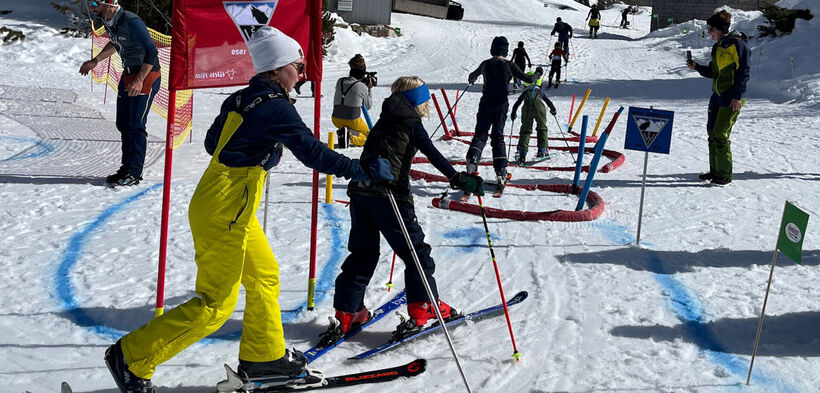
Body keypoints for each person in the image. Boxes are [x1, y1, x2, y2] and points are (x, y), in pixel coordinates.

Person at [102, 26, 390, 393]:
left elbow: (213, 143)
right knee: (216, 304)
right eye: (297, 67)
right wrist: (360, 169)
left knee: (264, 274)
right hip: (226, 208)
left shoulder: (241, 98)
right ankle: (131, 357)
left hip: (225, 201)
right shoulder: (276, 107)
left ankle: (263, 356)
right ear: (278, 68)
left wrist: (258, 150)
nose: (301, 74)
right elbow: (311, 151)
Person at [329, 76, 484, 337]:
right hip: (389, 195)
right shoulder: (410, 122)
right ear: (417, 100)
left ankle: (348, 310)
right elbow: (432, 152)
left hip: (361, 191)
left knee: (363, 254)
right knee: (416, 254)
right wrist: (457, 178)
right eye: (425, 100)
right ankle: (423, 306)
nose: (427, 106)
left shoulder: (384, 118)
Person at [79, 0, 161, 187]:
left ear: (109, 3)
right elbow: (115, 43)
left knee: (136, 125)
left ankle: (134, 173)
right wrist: (95, 60)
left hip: (146, 75)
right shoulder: (109, 21)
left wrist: (139, 80)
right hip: (129, 74)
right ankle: (126, 168)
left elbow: (151, 51)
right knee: (123, 123)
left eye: (95, 2)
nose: (92, 7)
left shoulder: (131, 21)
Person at [687, 10, 750, 186]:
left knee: (720, 134)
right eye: (708, 29)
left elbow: (744, 72)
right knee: (712, 132)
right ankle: (715, 171)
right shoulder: (718, 47)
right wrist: (697, 67)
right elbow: (714, 72)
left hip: (731, 98)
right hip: (717, 96)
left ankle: (724, 175)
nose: (709, 33)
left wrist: (737, 96)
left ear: (721, 29)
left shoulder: (737, 45)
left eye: (711, 29)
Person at [466, 36, 535, 191]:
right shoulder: (510, 65)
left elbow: (471, 76)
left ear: (492, 49)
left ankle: (473, 160)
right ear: (506, 51)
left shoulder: (485, 64)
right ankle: (501, 171)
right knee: (497, 137)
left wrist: (472, 80)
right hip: (500, 104)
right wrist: (537, 74)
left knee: (480, 135)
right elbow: (528, 79)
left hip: (485, 102)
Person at [510, 67, 557, 165]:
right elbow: (548, 101)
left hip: (526, 110)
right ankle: (542, 150)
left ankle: (522, 154)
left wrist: (513, 112)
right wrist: (553, 109)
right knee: (542, 128)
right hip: (539, 109)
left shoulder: (525, 92)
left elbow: (517, 103)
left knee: (525, 130)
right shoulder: (539, 91)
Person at [331, 54, 374, 147]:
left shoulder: (340, 81)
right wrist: (369, 89)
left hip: (336, 119)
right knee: (370, 138)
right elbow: (368, 106)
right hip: (352, 119)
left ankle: (346, 132)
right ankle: (349, 135)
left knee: (360, 132)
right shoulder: (362, 86)